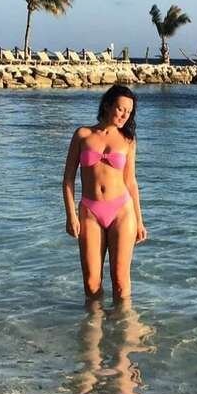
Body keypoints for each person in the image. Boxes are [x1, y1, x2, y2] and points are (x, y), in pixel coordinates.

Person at [62, 85, 147, 298]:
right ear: (108, 105)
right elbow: (68, 179)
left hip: (122, 211)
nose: (125, 115)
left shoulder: (128, 140)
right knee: (91, 283)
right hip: (90, 211)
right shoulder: (82, 135)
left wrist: (139, 221)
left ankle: (124, 320)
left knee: (120, 282)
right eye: (120, 109)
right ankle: (93, 320)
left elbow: (131, 182)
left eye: (129, 112)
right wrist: (71, 215)